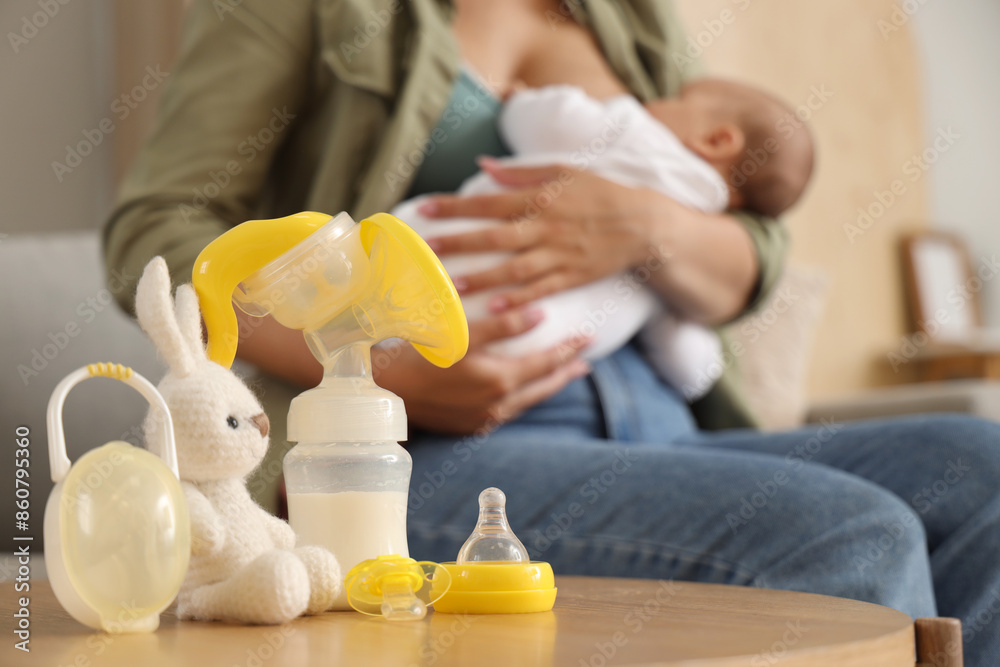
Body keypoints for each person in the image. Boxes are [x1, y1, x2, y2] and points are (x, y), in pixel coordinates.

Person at [103, 1, 1000, 663]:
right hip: (426, 442)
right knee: (853, 532)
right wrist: (385, 373)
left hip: (675, 426)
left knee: (984, 468)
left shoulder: (629, 19)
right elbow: (158, 231)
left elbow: (754, 231)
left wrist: (651, 227)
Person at [393, 78, 814, 399]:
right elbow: (691, 368)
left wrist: (522, 99)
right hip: (516, 354)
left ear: (717, 140)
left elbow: (543, 121)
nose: (655, 101)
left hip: (440, 266)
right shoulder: (673, 270)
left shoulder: (638, 135)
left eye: (677, 99)